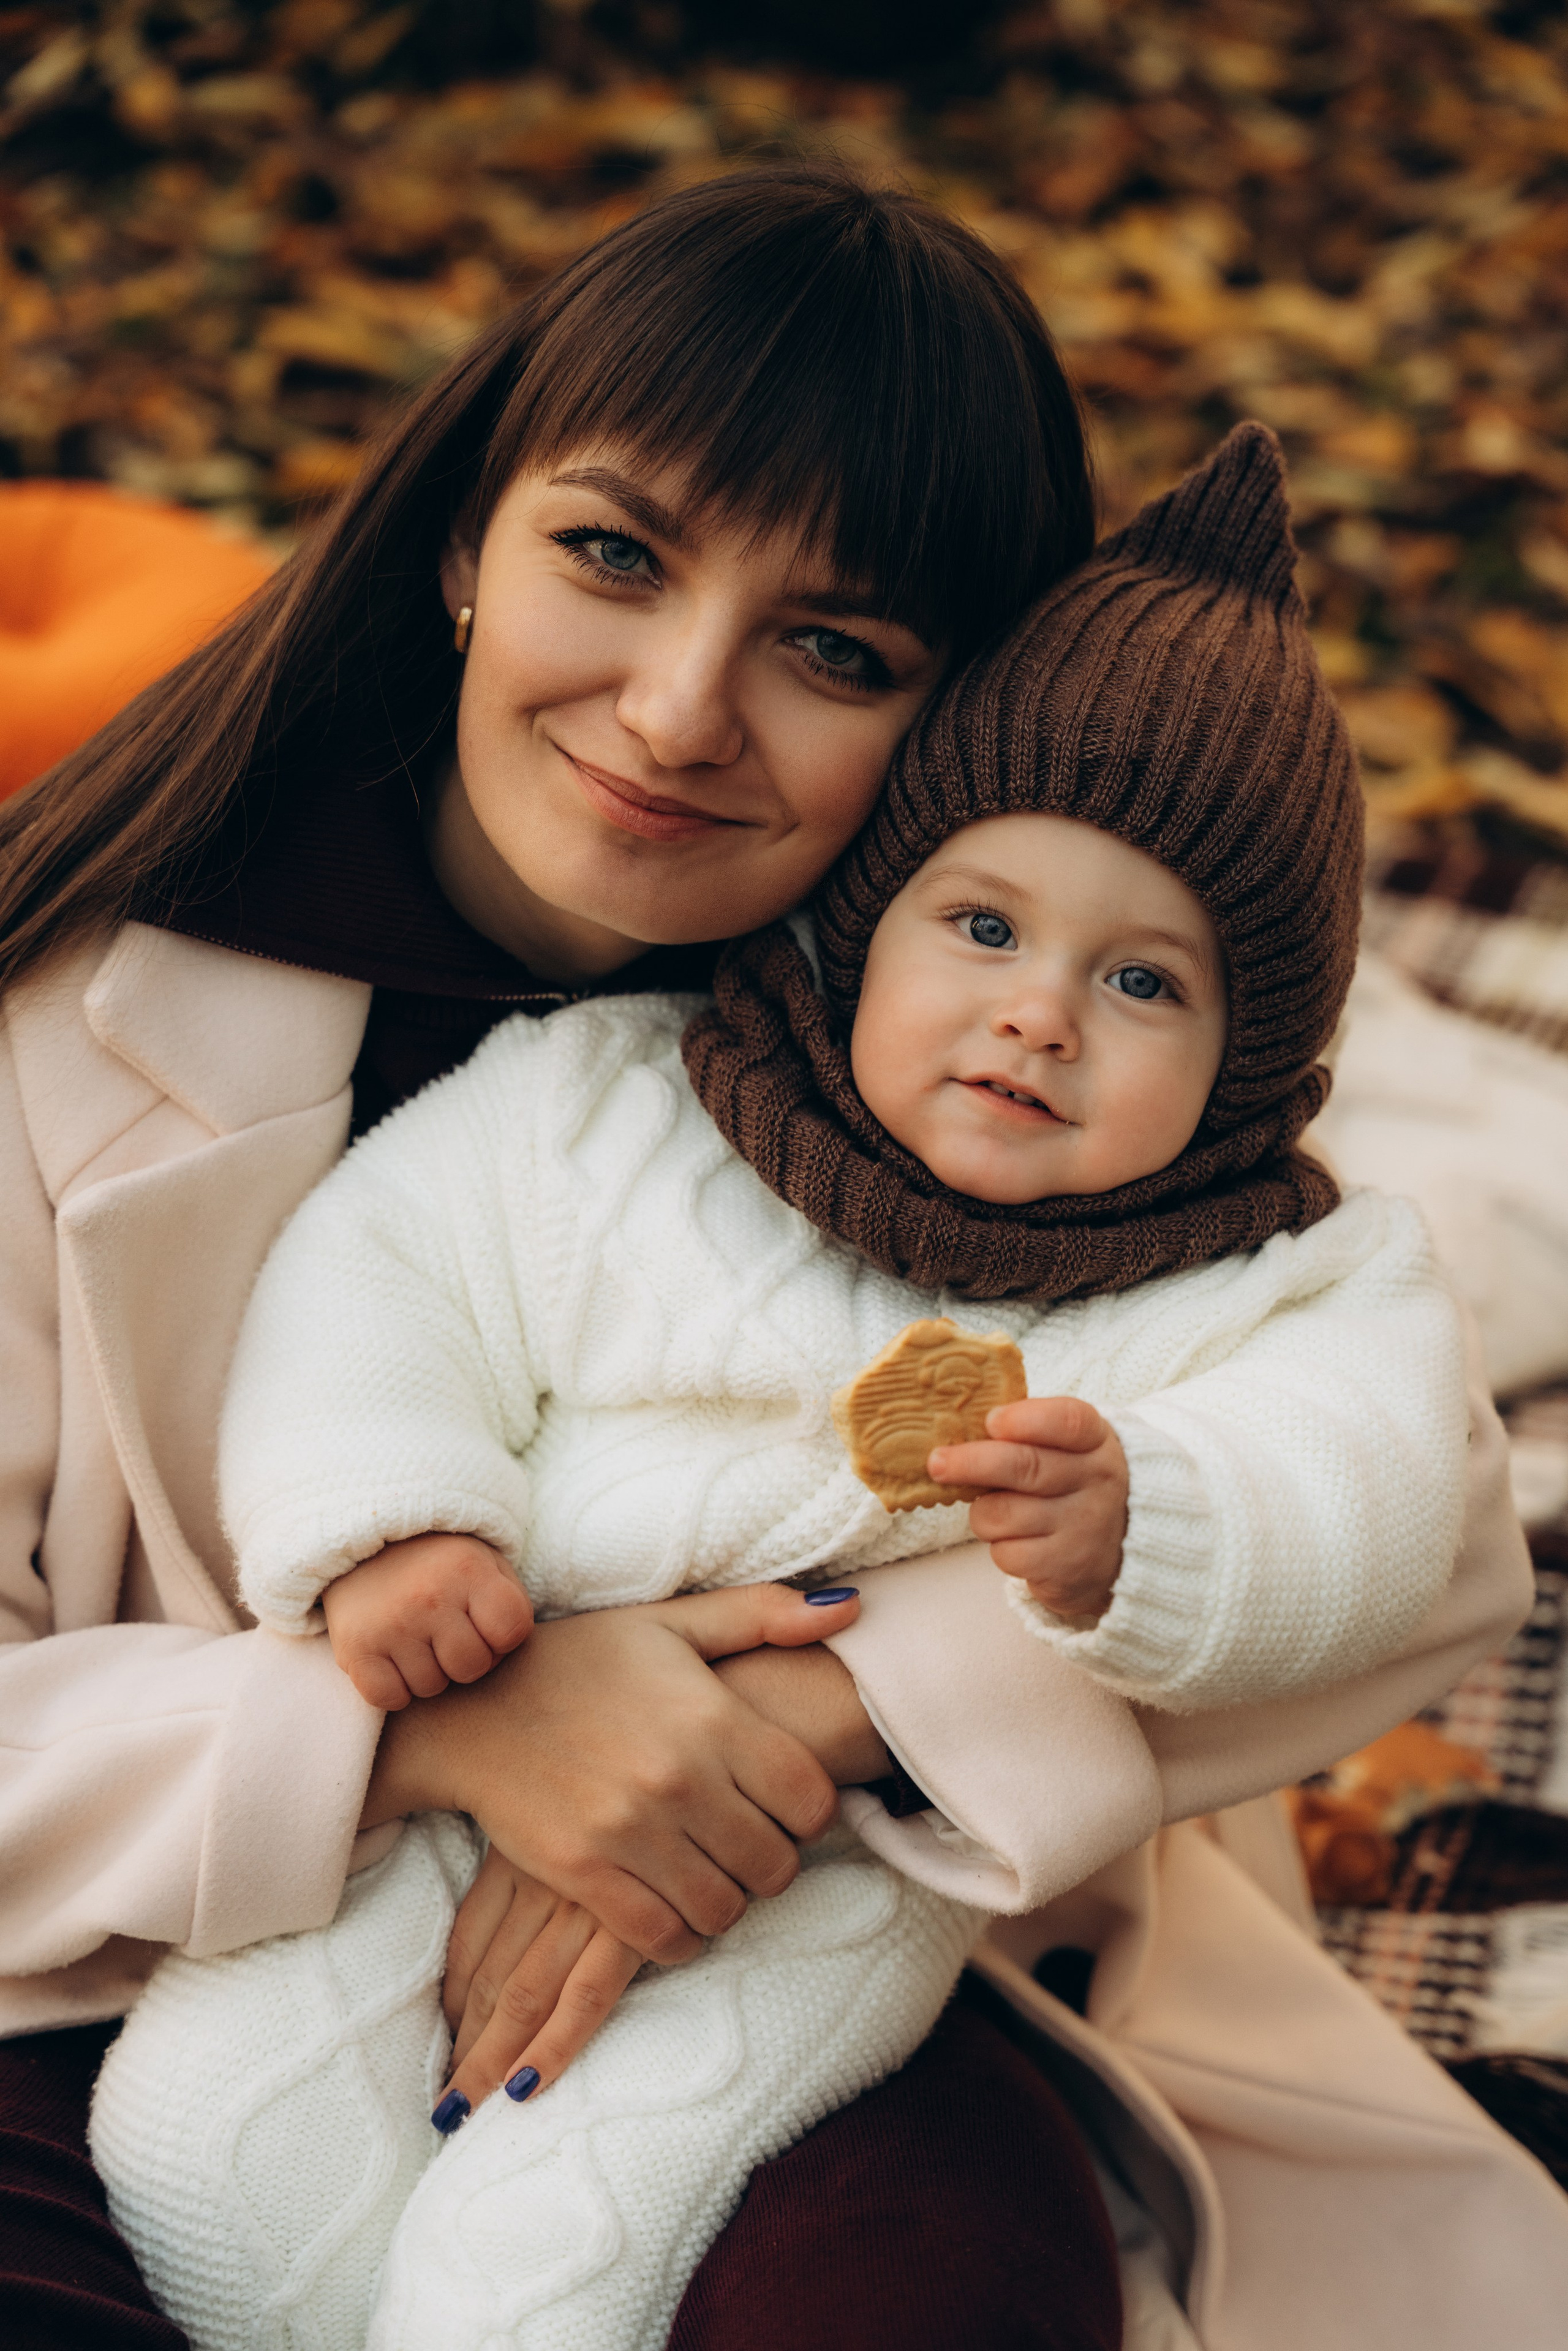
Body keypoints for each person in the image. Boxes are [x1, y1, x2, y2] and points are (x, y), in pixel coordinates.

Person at [0, 164, 1561, 2351]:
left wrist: (826, 1703)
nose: (677, 712)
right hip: (106, 1964)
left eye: (833, 649)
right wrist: (444, 1739)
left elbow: (1415, 1524)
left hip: (811, 1932)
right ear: (468, 540)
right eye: (612, 557)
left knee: (928, 2294)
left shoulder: (990, 1051)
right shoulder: (74, 1034)